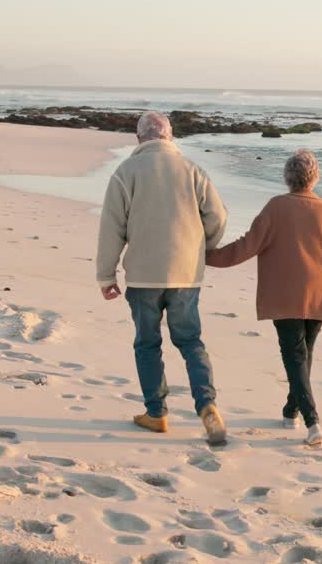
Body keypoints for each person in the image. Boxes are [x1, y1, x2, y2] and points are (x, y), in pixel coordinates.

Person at [96, 111, 229, 445]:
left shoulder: (126, 172)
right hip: (186, 274)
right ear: (169, 136)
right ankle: (207, 404)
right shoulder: (193, 171)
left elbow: (112, 228)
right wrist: (203, 247)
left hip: (143, 276)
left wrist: (106, 275)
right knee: (190, 341)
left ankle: (156, 414)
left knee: (147, 343)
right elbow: (217, 217)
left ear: (140, 138)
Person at [206, 149, 322, 446]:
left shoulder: (275, 207)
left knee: (297, 356)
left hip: (286, 294)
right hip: (320, 292)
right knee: (303, 355)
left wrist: (208, 257)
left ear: (287, 177)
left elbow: (247, 246)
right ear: (315, 177)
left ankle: (313, 423)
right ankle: (290, 410)